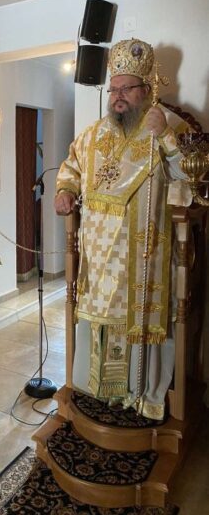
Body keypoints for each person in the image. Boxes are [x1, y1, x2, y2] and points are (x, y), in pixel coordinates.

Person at [55, 38, 192, 421]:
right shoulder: (93, 134)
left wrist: (166, 137)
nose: (117, 96)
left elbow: (192, 180)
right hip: (98, 261)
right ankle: (94, 392)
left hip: (142, 255)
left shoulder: (167, 126)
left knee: (139, 323)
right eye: (113, 89)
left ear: (146, 90)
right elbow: (71, 166)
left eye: (126, 88)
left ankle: (139, 395)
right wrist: (65, 190)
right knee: (96, 322)